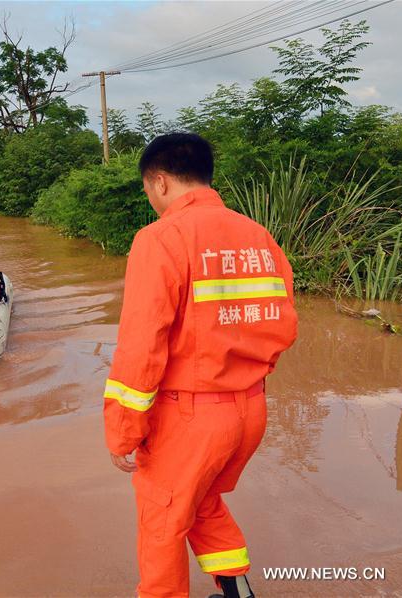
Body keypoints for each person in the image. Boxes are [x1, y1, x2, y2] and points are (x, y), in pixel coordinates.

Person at [103, 133, 297, 598]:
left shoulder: (161, 238)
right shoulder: (258, 237)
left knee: (161, 522)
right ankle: (237, 592)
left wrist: (122, 430)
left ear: (162, 181)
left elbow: (141, 345)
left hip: (190, 418)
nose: (151, 201)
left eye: (148, 190)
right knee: (202, 501)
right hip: (250, 410)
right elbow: (283, 323)